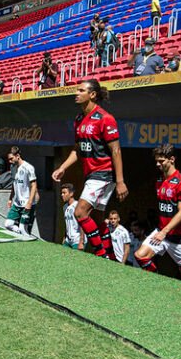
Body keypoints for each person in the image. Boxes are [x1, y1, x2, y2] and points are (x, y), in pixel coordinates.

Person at [51, 79, 128, 260]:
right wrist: (62, 167)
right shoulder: (79, 119)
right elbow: (77, 150)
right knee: (99, 219)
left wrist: (120, 181)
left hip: (103, 173)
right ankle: (110, 256)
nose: (76, 93)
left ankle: (100, 255)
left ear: (92, 94)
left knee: (80, 212)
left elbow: (115, 150)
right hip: (91, 174)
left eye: (81, 90)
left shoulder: (105, 118)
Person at [134, 144, 181, 284]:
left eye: (161, 161)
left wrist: (164, 232)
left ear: (172, 159)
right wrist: (162, 232)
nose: (157, 164)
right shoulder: (160, 181)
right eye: (156, 161)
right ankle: (158, 284)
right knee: (140, 255)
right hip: (162, 231)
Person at [5, 146, 38, 235]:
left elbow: (34, 185)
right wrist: (10, 199)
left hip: (27, 203)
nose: (10, 161)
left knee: (24, 229)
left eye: (11, 159)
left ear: (18, 156)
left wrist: (30, 202)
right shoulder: (13, 168)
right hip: (17, 203)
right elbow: (14, 184)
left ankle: (25, 236)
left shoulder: (28, 167)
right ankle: (21, 233)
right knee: (8, 224)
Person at [61, 183, 83, 249]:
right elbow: (67, 224)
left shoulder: (77, 206)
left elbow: (83, 224)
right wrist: (64, 237)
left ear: (71, 194)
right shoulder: (65, 207)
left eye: (64, 193)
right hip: (68, 240)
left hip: (77, 240)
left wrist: (81, 242)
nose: (62, 195)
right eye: (61, 193)